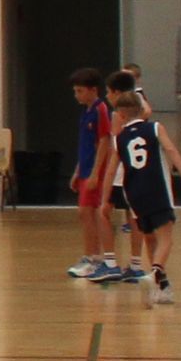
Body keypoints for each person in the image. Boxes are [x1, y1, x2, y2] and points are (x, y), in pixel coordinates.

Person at [109, 70, 181, 307]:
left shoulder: (119, 138)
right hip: (157, 188)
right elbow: (171, 150)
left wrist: (105, 197)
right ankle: (156, 272)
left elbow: (111, 170)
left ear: (121, 114)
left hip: (134, 193)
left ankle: (162, 287)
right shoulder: (155, 128)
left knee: (150, 238)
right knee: (166, 238)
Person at [68, 68, 118, 281]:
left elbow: (104, 141)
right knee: (85, 213)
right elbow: (87, 146)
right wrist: (78, 170)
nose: (76, 95)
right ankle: (91, 256)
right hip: (86, 169)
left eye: (80, 91)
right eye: (75, 91)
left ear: (93, 90)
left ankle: (94, 258)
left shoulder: (101, 110)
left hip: (95, 171)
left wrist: (96, 173)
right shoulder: (86, 112)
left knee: (88, 212)